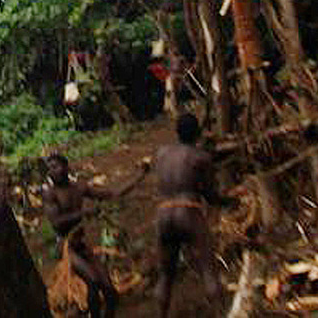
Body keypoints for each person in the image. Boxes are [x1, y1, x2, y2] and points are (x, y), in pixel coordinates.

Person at [41, 152, 149, 318]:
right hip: (66, 245)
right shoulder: (50, 194)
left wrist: (139, 176)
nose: (52, 171)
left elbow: (112, 193)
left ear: (66, 167)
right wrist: (83, 212)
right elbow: (56, 222)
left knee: (109, 290)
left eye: (55, 166)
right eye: (49, 169)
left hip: (81, 244)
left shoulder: (79, 187)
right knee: (93, 281)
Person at [149, 113, 226, 318]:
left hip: (163, 213)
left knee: (166, 275)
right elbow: (210, 194)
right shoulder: (200, 157)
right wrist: (227, 200)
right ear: (198, 133)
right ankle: (220, 314)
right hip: (188, 210)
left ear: (176, 132)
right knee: (209, 269)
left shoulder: (161, 153)